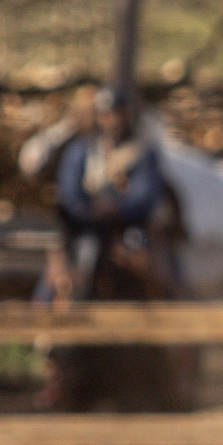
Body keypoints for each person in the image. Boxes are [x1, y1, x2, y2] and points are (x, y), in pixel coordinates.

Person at [53, 87, 175, 298]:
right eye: (107, 114)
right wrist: (89, 212)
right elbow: (69, 196)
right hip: (87, 229)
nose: (114, 120)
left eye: (119, 113)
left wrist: (116, 208)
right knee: (74, 266)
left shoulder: (143, 154)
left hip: (129, 228)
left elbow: (145, 197)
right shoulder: (80, 152)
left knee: (156, 267)